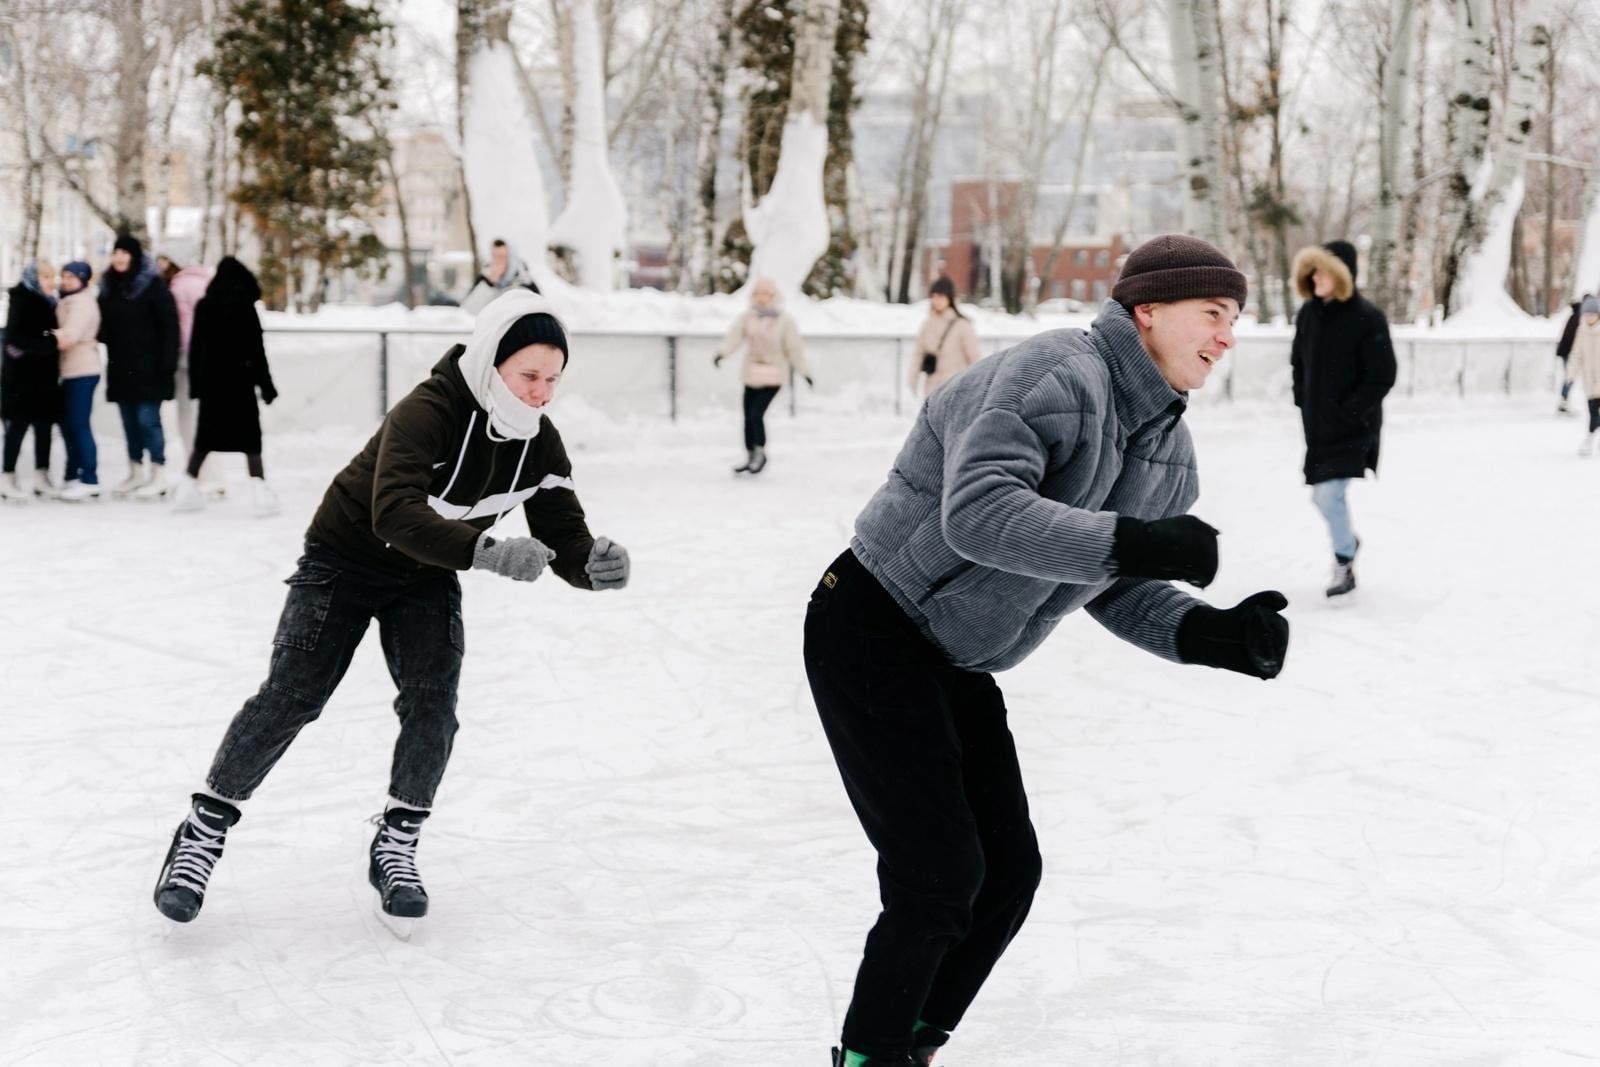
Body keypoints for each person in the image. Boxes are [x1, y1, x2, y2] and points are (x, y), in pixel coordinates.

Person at [803, 235, 1290, 1067]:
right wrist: (1137, 541)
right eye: (1214, 313)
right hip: (874, 620)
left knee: (1006, 875)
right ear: (1150, 308)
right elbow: (981, 515)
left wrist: (1207, 632)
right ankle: (866, 1059)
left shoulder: (1169, 450)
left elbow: (1109, 579)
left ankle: (908, 1045)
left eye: (1235, 318)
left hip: (959, 657)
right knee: (937, 874)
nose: (1226, 336)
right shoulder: (1054, 374)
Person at [151, 289, 632, 925]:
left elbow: (562, 531)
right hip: (344, 558)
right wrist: (486, 551)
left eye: (552, 379)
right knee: (294, 694)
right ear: (492, 364)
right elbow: (395, 512)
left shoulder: (540, 442)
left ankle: (397, 840)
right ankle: (202, 831)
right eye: (529, 376)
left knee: (434, 703)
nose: (541, 393)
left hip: (428, 573)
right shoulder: (428, 410)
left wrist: (590, 565)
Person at [1289, 239, 1398, 598]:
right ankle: (1347, 542)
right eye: (1313, 270)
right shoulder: (1308, 314)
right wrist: (1301, 397)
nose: (1315, 277)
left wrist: (1350, 409)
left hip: (1355, 427)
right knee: (1321, 497)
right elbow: (1298, 361)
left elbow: (1383, 375)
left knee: (1328, 495)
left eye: (1323, 271)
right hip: (1318, 428)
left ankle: (1344, 563)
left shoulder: (1368, 317)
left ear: (1340, 274)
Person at [172, 257, 280, 516]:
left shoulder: (205, 305)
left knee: (204, 441)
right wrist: (266, 386)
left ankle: (186, 490)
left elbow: (196, 348)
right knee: (251, 442)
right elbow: (257, 351)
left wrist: (196, 385)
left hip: (212, 385)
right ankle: (261, 493)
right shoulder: (246, 308)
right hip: (240, 384)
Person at [99, 233, 180, 498]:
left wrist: (167, 364)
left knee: (148, 421)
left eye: (124, 253)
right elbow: (104, 327)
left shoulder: (153, 285)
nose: (119, 258)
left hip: (150, 367)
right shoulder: (109, 286)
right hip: (122, 366)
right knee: (129, 422)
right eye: (116, 253)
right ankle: (135, 471)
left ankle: (159, 472)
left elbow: (170, 326)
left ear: (134, 256)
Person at [712, 276, 812, 474]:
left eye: (765, 294)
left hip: (774, 376)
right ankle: (750, 455)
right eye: (757, 293)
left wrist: (805, 372)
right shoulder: (748, 317)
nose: (761, 298)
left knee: (757, 414)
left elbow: (794, 349)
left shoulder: (784, 321)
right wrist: (721, 353)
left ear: (774, 295)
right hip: (752, 374)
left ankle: (760, 453)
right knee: (748, 416)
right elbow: (734, 337)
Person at [1, 260, 61, 501]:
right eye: (46, 278)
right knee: (18, 426)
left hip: (42, 377)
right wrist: (50, 343)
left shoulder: (46, 301)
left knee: (44, 426)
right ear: (35, 279)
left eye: (52, 278)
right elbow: (15, 338)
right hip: (23, 379)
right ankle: (6, 476)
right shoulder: (23, 300)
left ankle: (41, 475)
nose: (51, 282)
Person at [163, 254, 222, 493]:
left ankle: (200, 475)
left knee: (188, 418)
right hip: (205, 356)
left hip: (188, 357)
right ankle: (207, 474)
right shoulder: (204, 282)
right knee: (201, 417)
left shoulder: (179, 286)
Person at [56, 261, 104, 501]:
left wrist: (42, 337)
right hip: (71, 370)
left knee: (79, 424)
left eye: (72, 277)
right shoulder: (68, 299)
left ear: (83, 279)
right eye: (64, 276)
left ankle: (90, 478)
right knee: (69, 425)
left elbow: (69, 337)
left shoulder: (82, 303)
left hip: (82, 369)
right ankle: (73, 474)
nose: (66, 281)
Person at [908, 276, 981, 400]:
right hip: (932, 389)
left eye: (941, 296)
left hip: (956, 387)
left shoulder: (962, 325)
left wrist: (977, 385)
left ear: (950, 298)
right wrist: (913, 379)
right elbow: (918, 354)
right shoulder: (927, 325)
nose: (937, 301)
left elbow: (975, 357)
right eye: (934, 296)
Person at [459, 238, 538, 313]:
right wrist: (489, 284)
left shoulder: (525, 283)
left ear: (511, 259)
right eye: (494, 256)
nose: (496, 261)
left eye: (501, 257)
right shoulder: (484, 280)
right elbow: (466, 311)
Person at [1565, 295, 1600, 455]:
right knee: (1593, 411)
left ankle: (1591, 438)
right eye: (1586, 314)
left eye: (1592, 314)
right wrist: (1571, 374)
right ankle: (1590, 438)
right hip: (1590, 380)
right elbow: (1577, 354)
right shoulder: (1582, 330)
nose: (1589, 317)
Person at [1555, 294, 1591, 416]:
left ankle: (1564, 401)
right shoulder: (1579, 317)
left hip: (1570, 352)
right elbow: (1574, 338)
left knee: (1570, 376)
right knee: (1570, 377)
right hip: (1570, 352)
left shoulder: (1578, 315)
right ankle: (1563, 402)